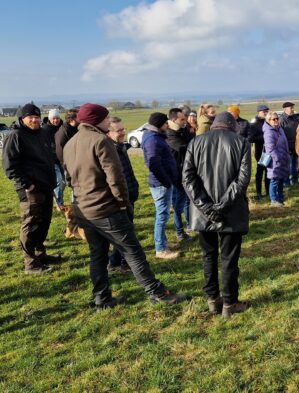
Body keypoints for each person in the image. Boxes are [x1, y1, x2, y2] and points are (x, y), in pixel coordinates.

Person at [64, 103, 184, 309]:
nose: (108, 121)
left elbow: (68, 179)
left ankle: (102, 298)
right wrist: (123, 204)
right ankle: (157, 293)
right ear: (95, 120)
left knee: (97, 255)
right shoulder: (101, 141)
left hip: (83, 209)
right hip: (106, 209)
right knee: (133, 252)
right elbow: (116, 178)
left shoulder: (70, 144)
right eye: (105, 118)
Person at [182, 112, 251, 318]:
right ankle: (229, 303)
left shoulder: (196, 142)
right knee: (229, 258)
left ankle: (213, 300)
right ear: (232, 125)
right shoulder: (241, 142)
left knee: (208, 256)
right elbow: (242, 180)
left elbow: (187, 178)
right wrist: (220, 207)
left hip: (204, 212)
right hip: (231, 210)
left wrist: (207, 207)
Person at [3, 103, 60, 274]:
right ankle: (30, 263)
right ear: (22, 118)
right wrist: (27, 184)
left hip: (46, 186)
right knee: (31, 224)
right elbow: (10, 166)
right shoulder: (15, 136)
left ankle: (40, 254)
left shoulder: (41, 133)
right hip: (31, 190)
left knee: (44, 222)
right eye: (31, 117)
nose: (35, 120)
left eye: (37, 117)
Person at [142, 112, 180, 258]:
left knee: (163, 214)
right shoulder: (153, 140)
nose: (167, 126)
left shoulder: (155, 136)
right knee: (162, 216)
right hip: (160, 184)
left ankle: (163, 243)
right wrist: (166, 181)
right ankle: (160, 249)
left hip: (162, 183)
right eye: (165, 123)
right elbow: (153, 164)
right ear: (159, 124)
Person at [106, 117, 139, 274]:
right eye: (118, 130)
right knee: (124, 234)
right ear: (108, 133)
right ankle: (116, 263)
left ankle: (120, 262)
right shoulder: (108, 151)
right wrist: (121, 199)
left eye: (123, 129)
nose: (122, 132)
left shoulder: (120, 147)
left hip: (129, 194)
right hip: (120, 199)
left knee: (127, 231)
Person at [165, 108, 193, 242]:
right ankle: (179, 232)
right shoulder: (169, 135)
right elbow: (185, 148)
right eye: (182, 119)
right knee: (178, 206)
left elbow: (191, 142)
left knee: (188, 201)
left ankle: (190, 225)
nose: (185, 121)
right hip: (176, 176)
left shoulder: (183, 130)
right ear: (173, 120)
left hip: (185, 173)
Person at [263, 111, 291, 206]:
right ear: (268, 120)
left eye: (277, 118)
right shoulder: (269, 132)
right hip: (275, 161)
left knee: (281, 179)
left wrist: (286, 156)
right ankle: (274, 200)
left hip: (283, 158)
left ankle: (280, 199)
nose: (276, 120)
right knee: (274, 180)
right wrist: (278, 158)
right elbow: (270, 148)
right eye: (273, 119)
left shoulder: (279, 129)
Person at [42, 109, 65, 210]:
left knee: (64, 182)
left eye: (57, 118)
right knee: (59, 181)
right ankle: (59, 204)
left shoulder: (63, 128)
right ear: (50, 119)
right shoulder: (44, 130)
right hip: (51, 160)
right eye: (53, 118)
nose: (56, 120)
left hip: (63, 159)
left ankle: (57, 199)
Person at [249, 104, 271, 199]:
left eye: (267, 111)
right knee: (260, 171)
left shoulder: (269, 121)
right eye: (264, 112)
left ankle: (268, 191)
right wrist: (264, 137)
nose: (266, 113)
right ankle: (258, 192)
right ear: (259, 112)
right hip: (261, 151)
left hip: (270, 150)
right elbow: (251, 138)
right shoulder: (254, 123)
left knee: (268, 171)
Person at [279, 102, 299, 186]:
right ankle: (286, 182)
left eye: (293, 108)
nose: (292, 109)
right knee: (287, 165)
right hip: (286, 146)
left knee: (295, 164)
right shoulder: (281, 120)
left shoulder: (295, 118)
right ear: (285, 109)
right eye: (291, 108)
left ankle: (295, 180)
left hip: (296, 145)